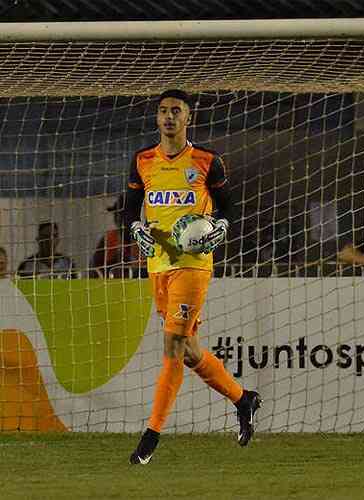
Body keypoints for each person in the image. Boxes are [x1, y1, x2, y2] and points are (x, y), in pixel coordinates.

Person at [123, 89, 261, 465]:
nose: (169, 117)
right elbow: (130, 206)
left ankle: (151, 436)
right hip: (159, 264)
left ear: (188, 119)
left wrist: (221, 224)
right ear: (157, 118)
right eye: (163, 111)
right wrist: (135, 228)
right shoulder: (142, 160)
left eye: (176, 111)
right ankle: (243, 398)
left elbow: (227, 202)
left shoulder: (206, 160)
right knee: (187, 350)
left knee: (172, 349)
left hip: (194, 263)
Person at [91, 193, 144, 277]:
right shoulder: (110, 237)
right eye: (116, 214)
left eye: (121, 214)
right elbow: (95, 266)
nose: (117, 218)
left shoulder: (144, 236)